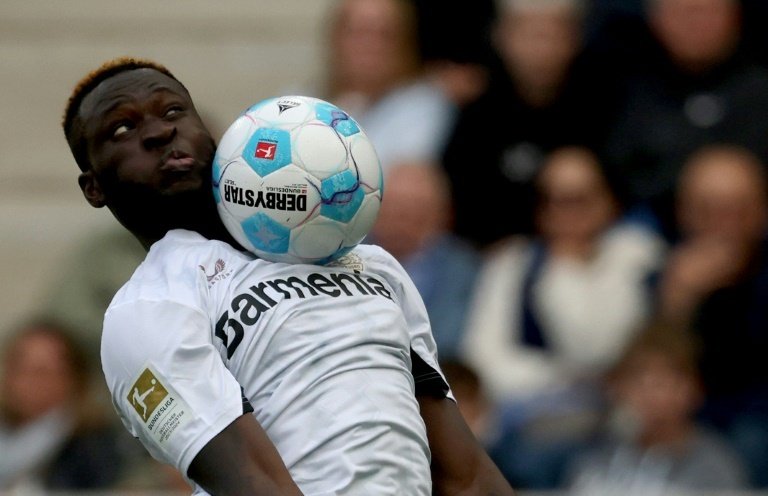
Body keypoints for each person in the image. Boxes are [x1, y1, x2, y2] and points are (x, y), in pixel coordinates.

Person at [61, 56, 514, 495]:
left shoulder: (371, 265)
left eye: (174, 111)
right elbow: (254, 485)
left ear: (218, 136)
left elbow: (468, 476)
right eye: (122, 127)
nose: (160, 132)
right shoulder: (147, 309)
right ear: (94, 187)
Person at [460, 146, 666, 488]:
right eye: (554, 200)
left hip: (625, 423)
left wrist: (573, 270)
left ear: (609, 199)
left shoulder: (639, 257)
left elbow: (602, 345)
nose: (566, 213)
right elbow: (484, 359)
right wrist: (566, 377)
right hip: (539, 428)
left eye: (580, 199)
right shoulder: (512, 264)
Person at [440, 0, 616, 249]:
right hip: (491, 255)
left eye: (553, 34)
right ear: (501, 37)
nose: (542, 49)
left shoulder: (602, 103)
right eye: (529, 34)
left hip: (587, 250)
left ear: (575, 38)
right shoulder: (476, 110)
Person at [599, 0, 768, 240]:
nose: (696, 23)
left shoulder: (760, 91)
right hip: (653, 238)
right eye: (684, 12)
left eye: (707, 11)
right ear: (656, 19)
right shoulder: (623, 93)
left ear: (735, 16)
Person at [655, 143, 768, 487]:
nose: (722, 224)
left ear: (762, 212)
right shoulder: (660, 272)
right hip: (678, 416)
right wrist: (677, 302)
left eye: (736, 210)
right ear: (683, 212)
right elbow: (647, 369)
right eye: (707, 210)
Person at [564, 320, 748, 494]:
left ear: (694, 388)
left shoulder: (716, 466)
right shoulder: (597, 459)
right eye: (640, 381)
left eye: (665, 382)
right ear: (620, 388)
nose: (652, 394)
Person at [0, 320, 132, 491]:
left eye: (44, 371)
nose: (32, 381)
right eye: (23, 368)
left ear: (75, 379)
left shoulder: (95, 450)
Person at [367, 161, 481, 359]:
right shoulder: (343, 256)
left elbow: (449, 341)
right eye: (393, 207)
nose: (401, 220)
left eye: (416, 211)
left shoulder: (463, 270)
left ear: (442, 215)